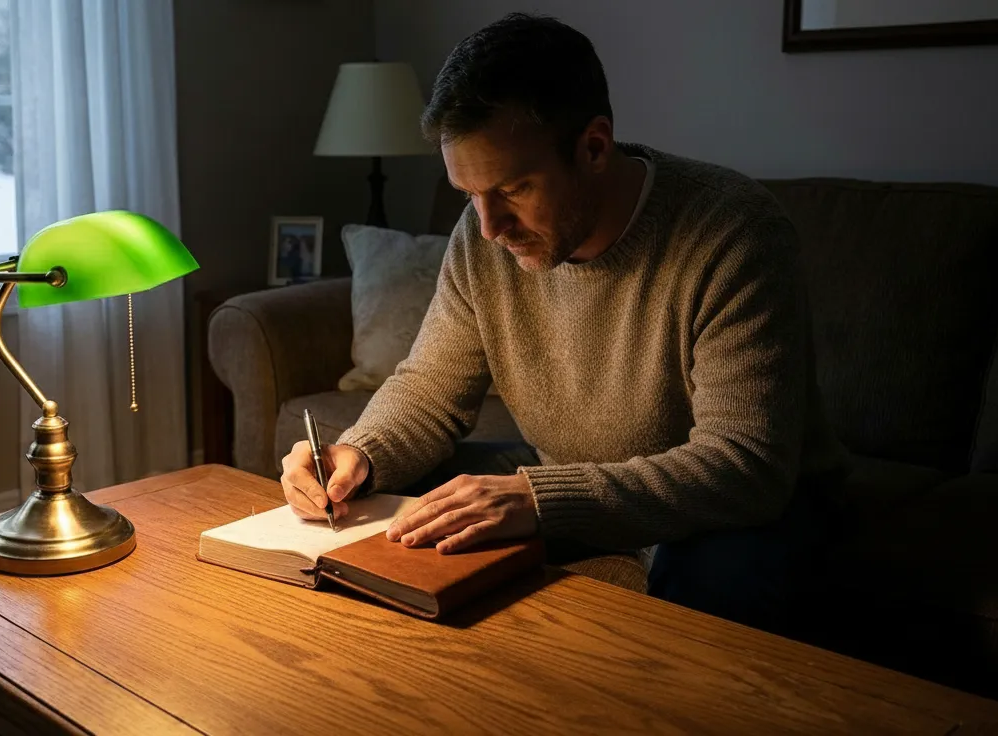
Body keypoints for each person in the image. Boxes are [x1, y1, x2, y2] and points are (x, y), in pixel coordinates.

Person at [279, 12, 849, 635]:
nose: (490, 227)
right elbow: (428, 390)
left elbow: (744, 465)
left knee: (715, 574)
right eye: (470, 193)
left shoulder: (732, 233)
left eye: (514, 189)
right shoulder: (482, 236)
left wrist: (539, 499)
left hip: (746, 504)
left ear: (594, 147)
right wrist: (359, 454)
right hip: (562, 468)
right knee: (395, 504)